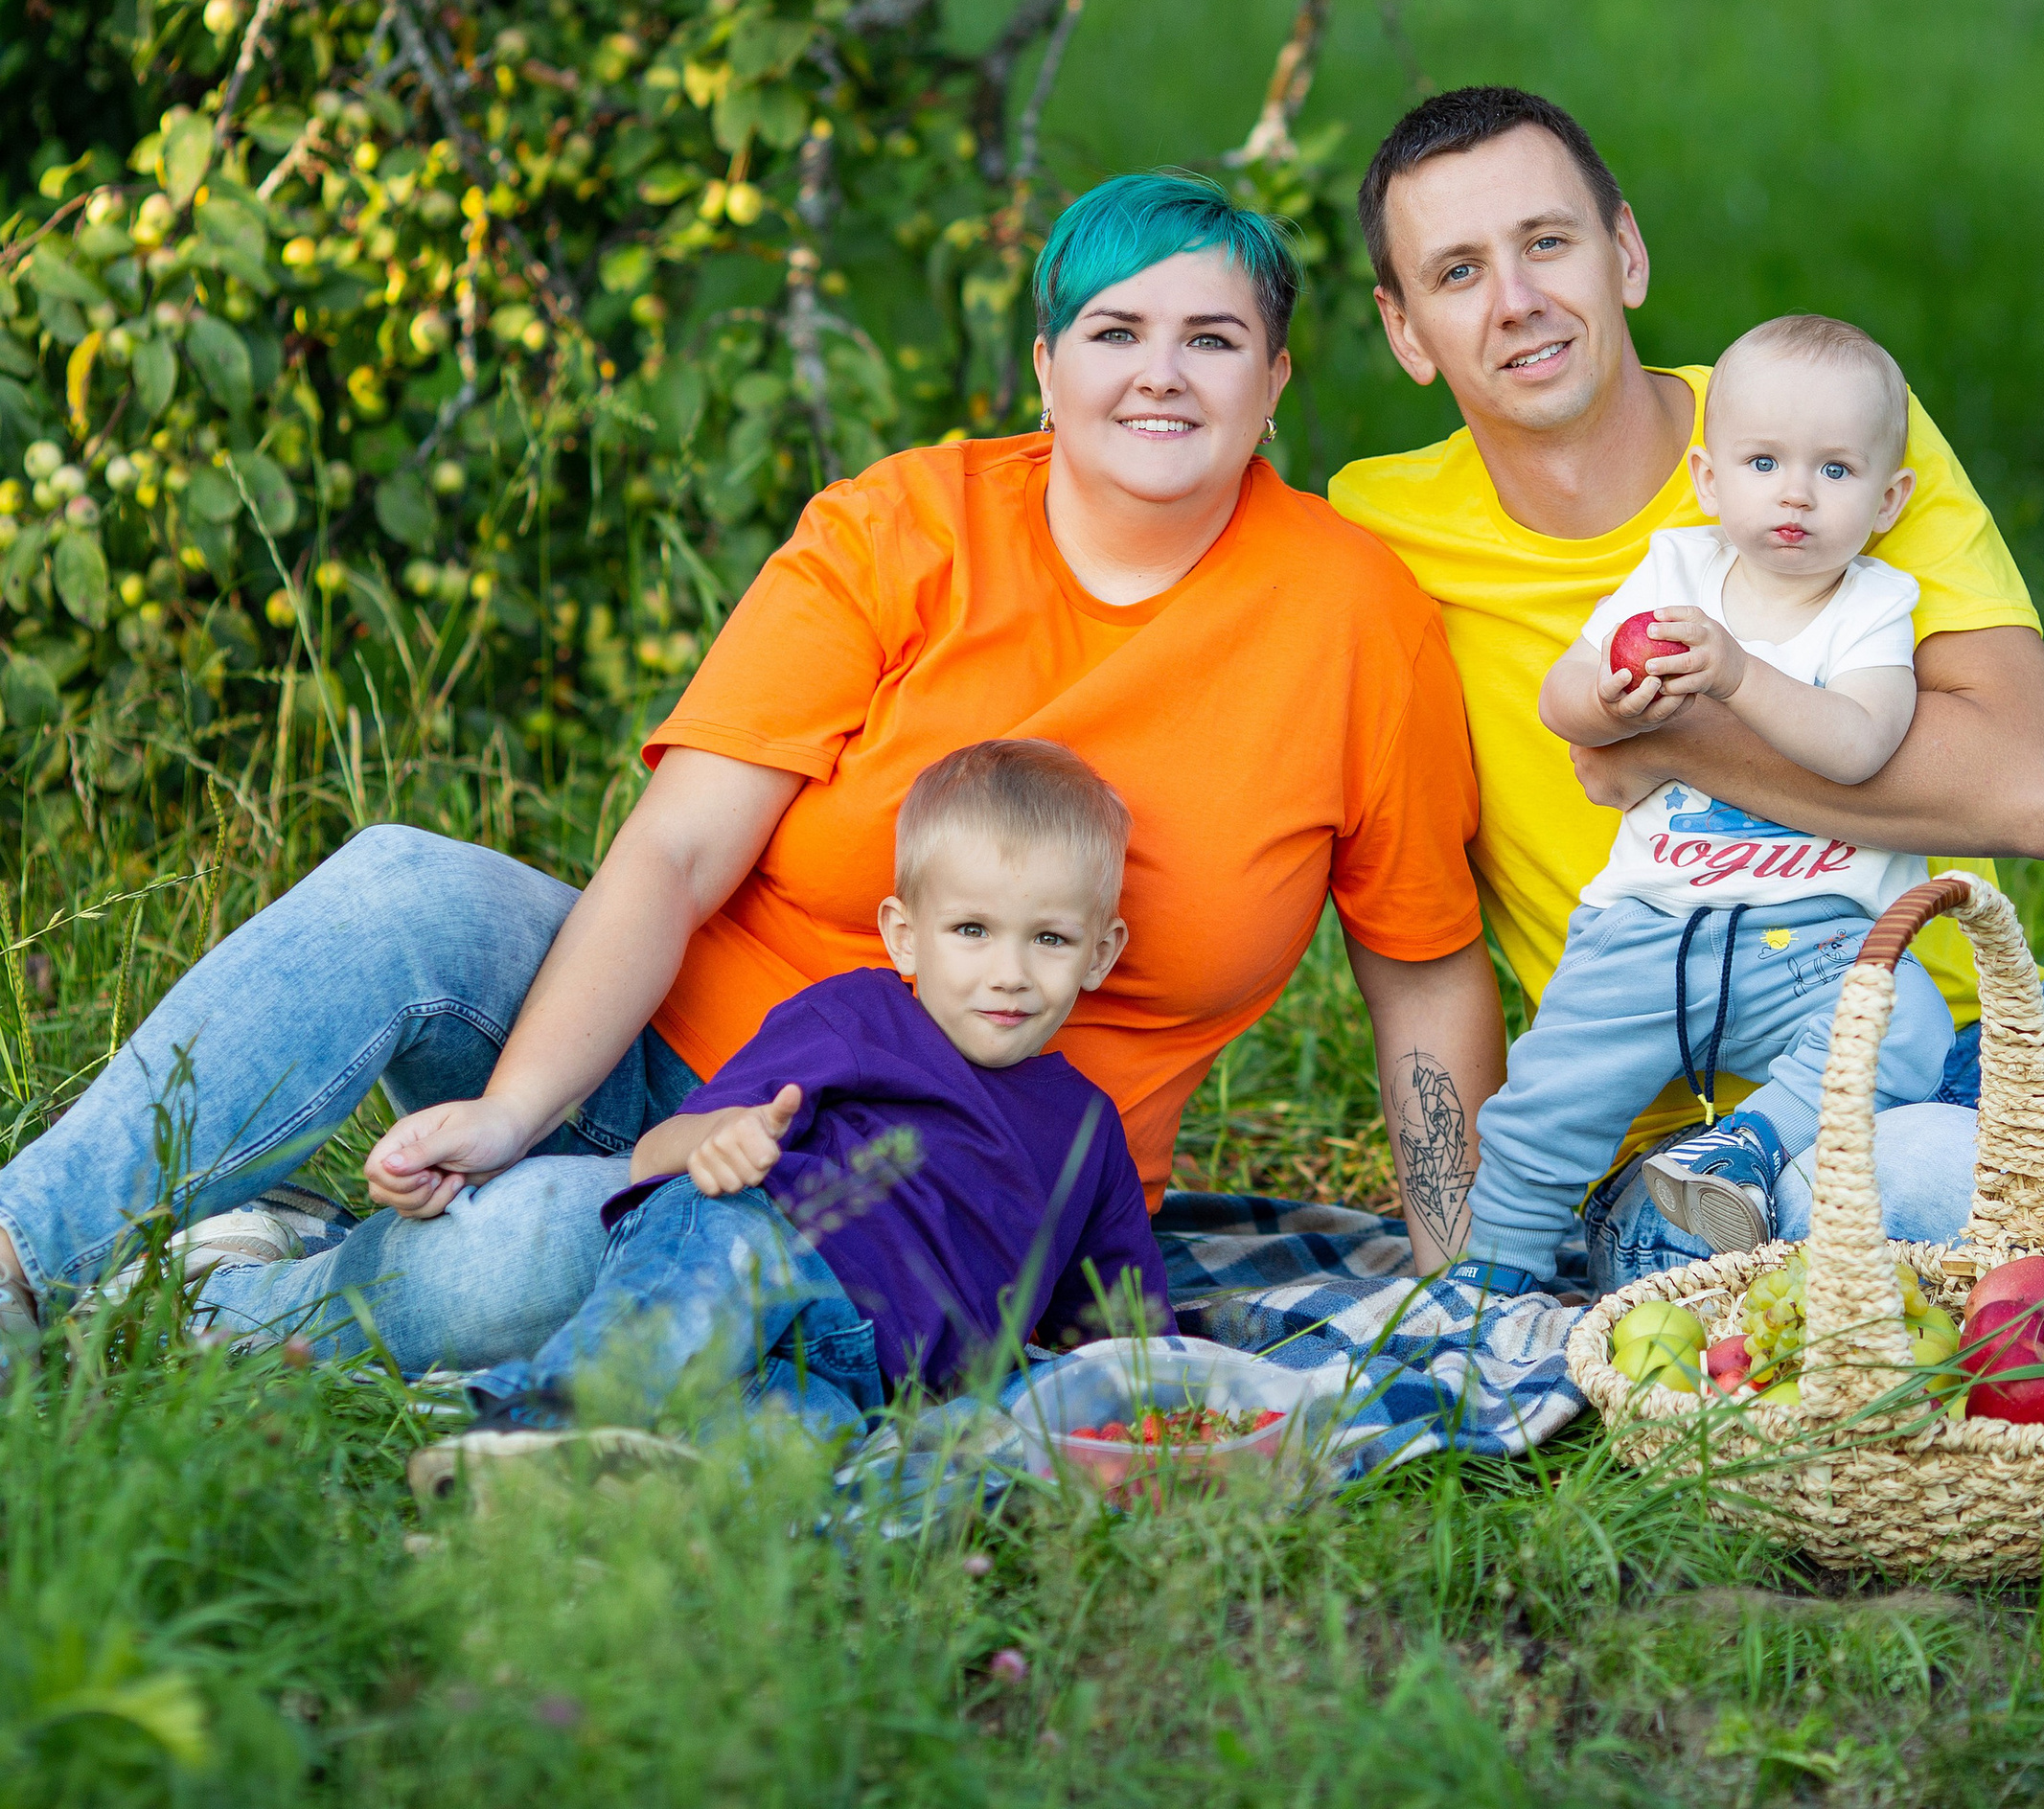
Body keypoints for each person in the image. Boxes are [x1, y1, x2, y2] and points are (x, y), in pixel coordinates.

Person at [0, 172, 1499, 1378]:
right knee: (403, 886)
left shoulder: (1352, 619)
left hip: (924, 1195)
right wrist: (522, 1106)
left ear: (1277, 378)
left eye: (1211, 340)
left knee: (540, 1251)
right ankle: (17, 1262)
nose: (1158, 378)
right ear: (1046, 369)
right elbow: (671, 861)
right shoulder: (900, 530)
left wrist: (1465, 1287)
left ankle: (199, 1313)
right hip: (644, 1059)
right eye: (1113, 334)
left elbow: (1424, 974)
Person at [1329, 81, 2044, 1571]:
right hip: (1705, 1185)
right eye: (1459, 273)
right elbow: (1412, 930)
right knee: (1924, 1163)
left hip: (1982, 1050)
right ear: (1406, 332)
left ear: (1627, 254)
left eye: (1548, 243)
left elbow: (2027, 789)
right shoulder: (1376, 538)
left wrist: (1683, 735)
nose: (1519, 301)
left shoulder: (1817, 424)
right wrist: (1468, 1268)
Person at [460, 742, 1171, 1443]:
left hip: (872, 1380)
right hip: (769, 1242)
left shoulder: (1088, 1133)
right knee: (699, 1278)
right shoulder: (854, 1019)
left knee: (794, 1448)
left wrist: (1159, 1413)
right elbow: (653, 1158)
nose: (1009, 972)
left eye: (1050, 939)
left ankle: (583, 1506)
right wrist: (718, 1141)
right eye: (972, 930)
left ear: (1099, 954)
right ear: (906, 935)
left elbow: (1121, 1339)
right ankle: (552, 1421)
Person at [1463, 313, 1954, 1278]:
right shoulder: (1676, 571)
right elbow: (1562, 695)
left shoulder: (1872, 605)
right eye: (1763, 460)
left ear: (1889, 497)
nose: (1795, 495)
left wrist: (1733, 677)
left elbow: (1857, 744)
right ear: (1706, 478)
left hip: (1816, 936)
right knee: (1544, 1102)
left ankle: (1745, 1144)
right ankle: (1484, 1287)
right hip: (1648, 927)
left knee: (1909, 1024)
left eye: (1835, 471)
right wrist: (1605, 697)